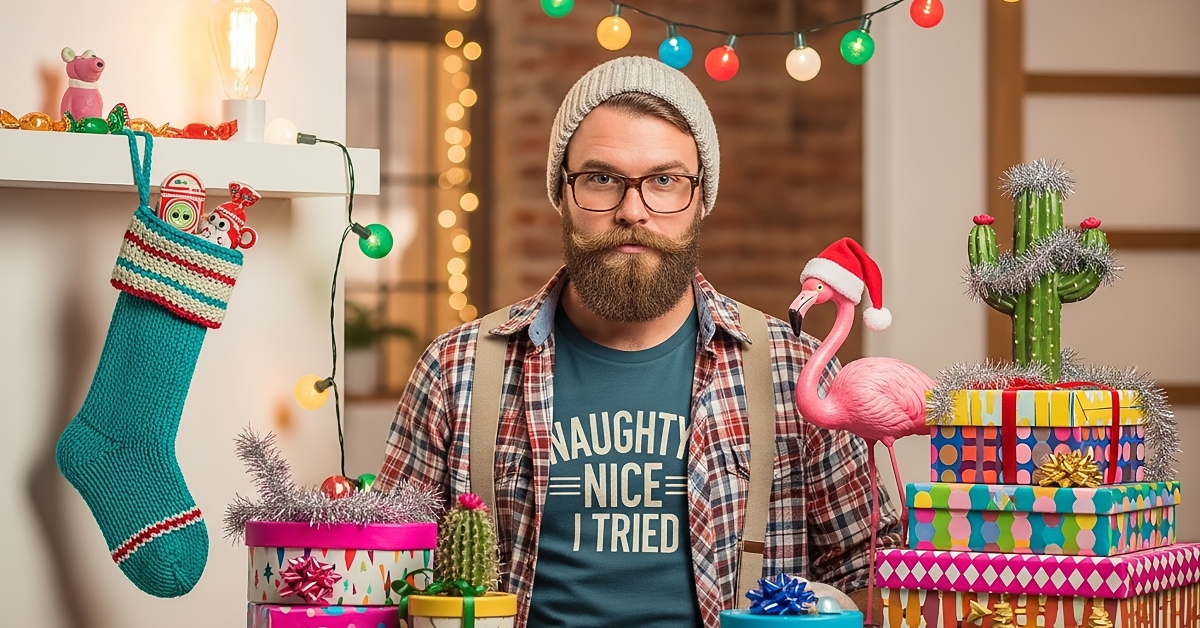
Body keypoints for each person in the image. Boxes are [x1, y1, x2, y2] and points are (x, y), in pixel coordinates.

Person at [376, 55, 901, 628]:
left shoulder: (793, 370)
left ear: (701, 199)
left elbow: (871, 572)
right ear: (562, 193)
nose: (633, 211)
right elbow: (387, 581)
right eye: (601, 179)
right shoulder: (457, 370)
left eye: (665, 181)